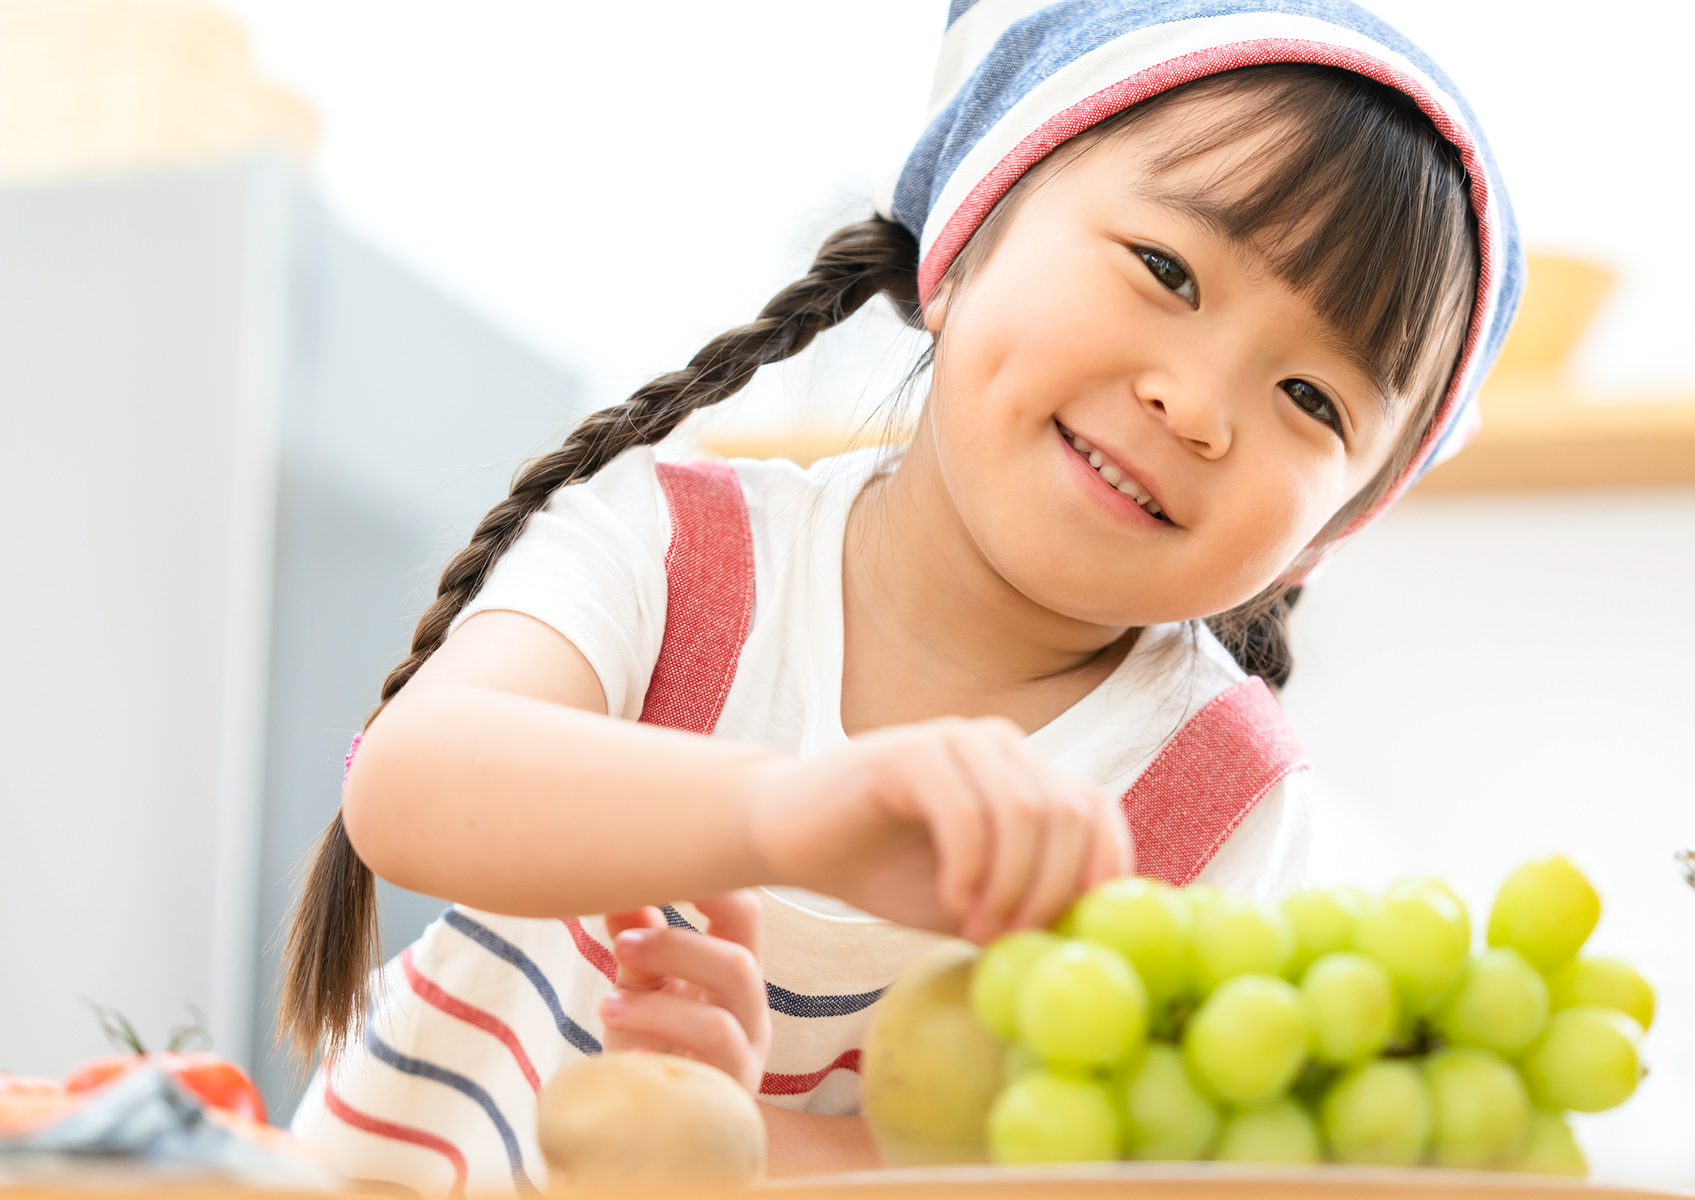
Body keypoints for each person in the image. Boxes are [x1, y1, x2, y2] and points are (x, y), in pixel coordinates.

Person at [281, 0, 1521, 1192]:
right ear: (965, 245)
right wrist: (789, 816)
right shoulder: (672, 544)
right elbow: (411, 786)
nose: (1196, 408)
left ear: (1332, 535)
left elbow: (1092, 1171)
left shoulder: (1217, 808)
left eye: (1315, 401)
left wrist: (744, 1153)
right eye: (1166, 269)